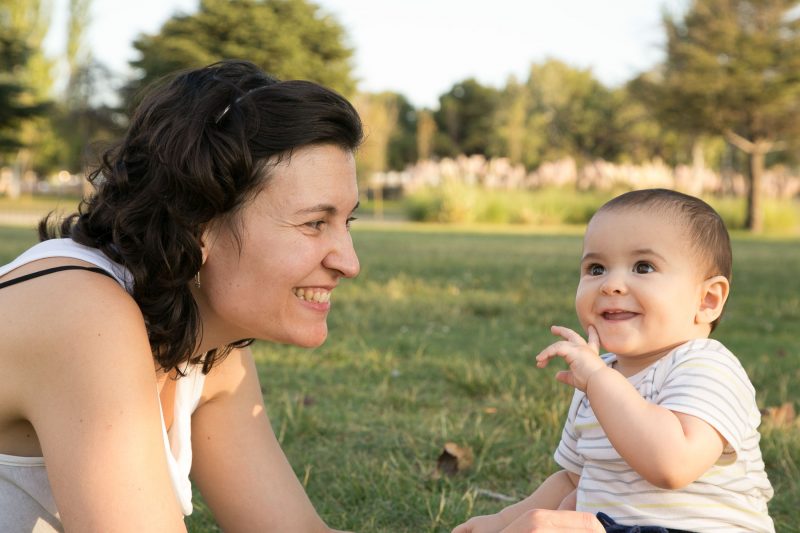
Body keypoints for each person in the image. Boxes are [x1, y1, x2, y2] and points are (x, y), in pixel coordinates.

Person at [0, 59, 363, 532]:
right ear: (198, 224)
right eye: (315, 223)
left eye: (346, 221)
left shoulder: (207, 343)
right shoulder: (84, 316)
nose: (349, 262)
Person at [454, 189, 775, 533]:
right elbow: (574, 480)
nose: (611, 285)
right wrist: (501, 521)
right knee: (547, 519)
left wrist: (598, 381)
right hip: (616, 525)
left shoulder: (708, 367)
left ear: (707, 300)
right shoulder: (599, 375)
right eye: (596, 268)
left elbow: (672, 465)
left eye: (643, 267)